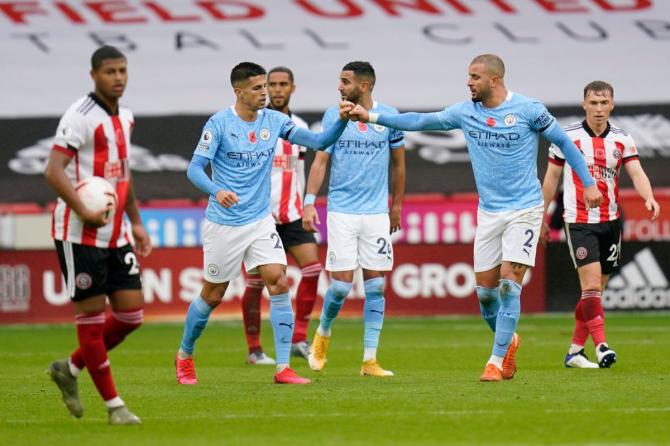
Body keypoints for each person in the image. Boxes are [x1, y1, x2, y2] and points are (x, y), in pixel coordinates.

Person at [348, 54, 603, 382]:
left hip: (524, 209)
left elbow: (565, 144)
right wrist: (371, 116)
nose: (468, 82)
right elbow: (420, 122)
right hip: (489, 213)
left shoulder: (528, 110)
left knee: (510, 284)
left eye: (474, 77)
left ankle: (495, 361)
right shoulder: (465, 112)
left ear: (494, 80)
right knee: (485, 297)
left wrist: (589, 183)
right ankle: (508, 339)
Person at [175, 62, 352, 385]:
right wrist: (217, 190)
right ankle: (185, 355)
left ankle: (283, 367)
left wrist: (340, 121)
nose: (265, 93)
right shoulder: (219, 123)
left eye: (266, 86)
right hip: (225, 223)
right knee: (213, 295)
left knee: (279, 281)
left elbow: (318, 141)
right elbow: (194, 169)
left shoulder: (275, 120)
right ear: (238, 91)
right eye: (257, 88)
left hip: (260, 221)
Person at [44, 45, 151, 425]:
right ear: (94, 75)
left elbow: (123, 173)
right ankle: (114, 406)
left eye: (122, 70)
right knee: (91, 316)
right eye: (110, 72)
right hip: (79, 232)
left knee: (131, 315)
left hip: (117, 232)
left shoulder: (126, 115)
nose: (118, 78)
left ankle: (69, 369)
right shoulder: (80, 116)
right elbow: (53, 170)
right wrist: (83, 209)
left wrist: (135, 221)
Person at [541, 81, 660, 369]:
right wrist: (542, 217)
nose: (598, 109)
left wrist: (649, 197)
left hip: (611, 222)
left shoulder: (622, 139)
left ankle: (574, 352)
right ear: (584, 104)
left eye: (603, 103)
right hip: (579, 221)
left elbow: (636, 172)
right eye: (593, 103)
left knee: (595, 292)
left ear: (612, 105)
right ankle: (602, 346)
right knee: (592, 285)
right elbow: (551, 180)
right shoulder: (566, 138)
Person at [304, 61, 406, 378]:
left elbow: (399, 166)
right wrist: (309, 202)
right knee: (341, 286)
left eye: (345, 81)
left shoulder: (389, 116)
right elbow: (321, 160)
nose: (339, 87)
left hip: (376, 212)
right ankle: (322, 333)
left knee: (376, 285)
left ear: (363, 86)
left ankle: (370, 360)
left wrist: (396, 207)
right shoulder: (333, 115)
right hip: (342, 210)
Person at [240, 66, 322, 365]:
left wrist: (307, 205)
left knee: (312, 269)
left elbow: (299, 170)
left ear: (292, 88)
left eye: (282, 84)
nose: (276, 90)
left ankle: (298, 337)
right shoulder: (251, 125)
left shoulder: (297, 126)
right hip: (260, 219)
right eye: (271, 84)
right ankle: (254, 348)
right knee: (256, 284)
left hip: (293, 216)